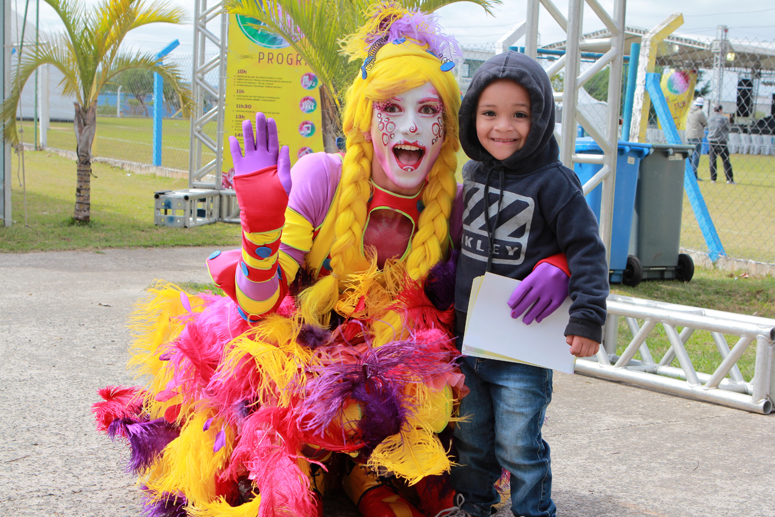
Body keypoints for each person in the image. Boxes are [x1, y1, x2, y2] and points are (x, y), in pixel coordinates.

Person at [92, 8, 571, 517]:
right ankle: (320, 474)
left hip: (391, 369)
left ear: (448, 127)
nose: (411, 126)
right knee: (272, 425)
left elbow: (542, 231)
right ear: (365, 118)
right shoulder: (322, 176)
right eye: (392, 107)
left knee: (442, 403)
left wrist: (560, 264)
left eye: (429, 111)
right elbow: (257, 310)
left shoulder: (455, 201)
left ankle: (368, 474)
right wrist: (260, 233)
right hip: (302, 356)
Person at [439, 51, 610, 517]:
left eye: (520, 115)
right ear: (472, 114)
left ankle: (534, 511)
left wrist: (589, 319)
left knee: (519, 445)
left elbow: (588, 251)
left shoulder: (556, 183)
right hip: (468, 342)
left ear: (540, 119)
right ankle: (474, 504)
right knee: (471, 437)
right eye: (489, 113)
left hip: (523, 352)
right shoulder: (472, 174)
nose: (503, 127)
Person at [707, 105, 736, 184]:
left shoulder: (710, 118)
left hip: (712, 140)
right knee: (725, 160)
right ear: (721, 110)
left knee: (712, 160)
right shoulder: (725, 118)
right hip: (721, 141)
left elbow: (708, 127)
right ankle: (729, 179)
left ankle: (713, 179)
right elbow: (729, 128)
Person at [686, 96, 707, 180]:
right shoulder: (700, 112)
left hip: (688, 135)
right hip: (697, 135)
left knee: (689, 155)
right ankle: (694, 174)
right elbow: (705, 122)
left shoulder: (690, 111)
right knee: (696, 155)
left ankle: (687, 173)